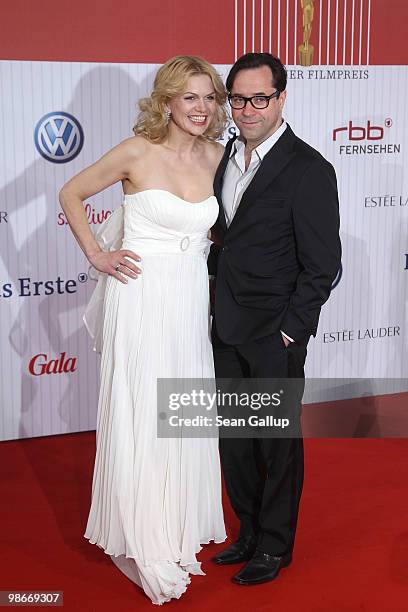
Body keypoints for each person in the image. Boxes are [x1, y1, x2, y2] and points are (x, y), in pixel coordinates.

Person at [59, 55, 228, 605]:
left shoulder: (220, 157)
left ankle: (175, 523)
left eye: (209, 97)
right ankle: (139, 531)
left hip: (188, 302)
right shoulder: (136, 152)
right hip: (140, 299)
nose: (201, 108)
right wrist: (97, 256)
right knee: (141, 411)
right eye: (190, 97)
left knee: (179, 413)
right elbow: (71, 194)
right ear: (167, 101)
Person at [209, 53, 341, 585]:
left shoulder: (309, 168)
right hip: (223, 326)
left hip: (274, 334)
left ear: (282, 98)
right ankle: (247, 531)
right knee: (235, 440)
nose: (246, 110)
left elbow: (323, 264)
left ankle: (275, 545)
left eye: (259, 99)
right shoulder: (223, 158)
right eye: (237, 99)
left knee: (276, 444)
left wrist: (292, 329)